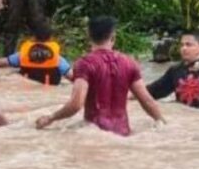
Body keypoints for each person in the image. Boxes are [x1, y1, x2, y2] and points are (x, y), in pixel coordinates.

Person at [36, 16, 165, 135]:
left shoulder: (85, 64)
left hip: (94, 133)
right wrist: (163, 123)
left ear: (88, 36)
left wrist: (50, 118)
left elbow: (76, 104)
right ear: (113, 37)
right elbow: (148, 101)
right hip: (124, 133)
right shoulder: (129, 63)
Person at [0, 23, 72, 86]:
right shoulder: (58, 60)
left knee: (13, 72)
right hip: (50, 89)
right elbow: (72, 77)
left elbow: (2, 62)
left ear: (33, 37)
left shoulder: (22, 55)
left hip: (24, 86)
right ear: (51, 39)